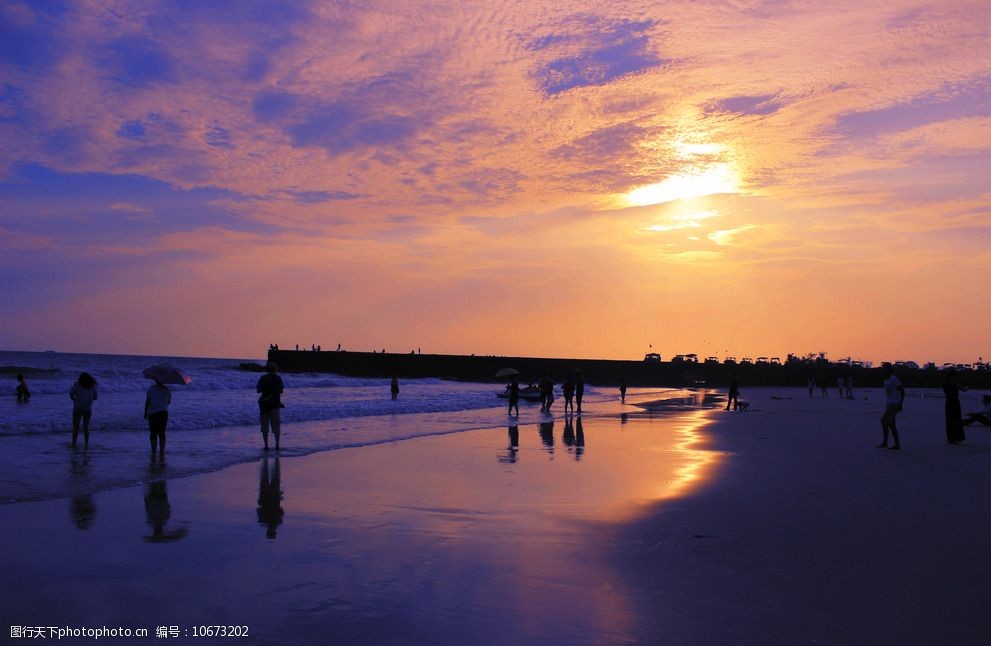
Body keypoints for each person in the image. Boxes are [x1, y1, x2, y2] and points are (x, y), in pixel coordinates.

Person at [256, 361, 284, 451]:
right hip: (275, 404)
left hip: (264, 404)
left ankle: (266, 445)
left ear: (267, 369)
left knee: (264, 426)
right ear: (275, 369)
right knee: (276, 425)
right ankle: (277, 444)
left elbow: (258, 390)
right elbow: (281, 391)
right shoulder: (278, 378)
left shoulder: (263, 378)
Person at [878, 364, 905, 450]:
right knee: (891, 424)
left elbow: (902, 391)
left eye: (884, 369)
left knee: (884, 421)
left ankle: (888, 442)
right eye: (882, 369)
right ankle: (893, 444)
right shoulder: (885, 379)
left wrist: (901, 403)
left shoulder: (893, 379)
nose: (883, 370)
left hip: (894, 403)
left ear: (889, 370)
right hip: (889, 403)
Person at [69, 372, 98, 448]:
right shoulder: (93, 386)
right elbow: (95, 397)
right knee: (86, 427)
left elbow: (71, 395)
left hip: (77, 407)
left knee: (76, 427)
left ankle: (74, 443)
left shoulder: (77, 384)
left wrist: (75, 399)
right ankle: (86, 444)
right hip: (88, 408)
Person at [144, 380, 172, 453]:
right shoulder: (166, 389)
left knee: (153, 432)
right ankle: (162, 451)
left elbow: (148, 402)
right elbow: (169, 402)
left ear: (155, 380)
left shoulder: (151, 388)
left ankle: (154, 451)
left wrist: (145, 412)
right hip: (163, 412)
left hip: (153, 413)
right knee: (162, 432)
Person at [942, 370, 965, 444]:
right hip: (954, 403)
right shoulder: (955, 384)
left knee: (949, 421)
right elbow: (964, 390)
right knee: (956, 420)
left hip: (948, 403)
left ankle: (951, 438)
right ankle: (956, 437)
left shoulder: (945, 384)